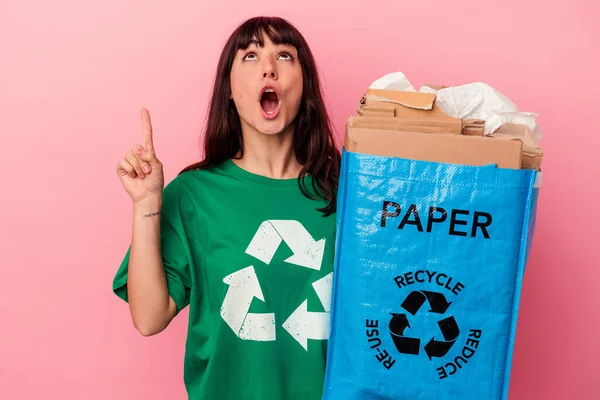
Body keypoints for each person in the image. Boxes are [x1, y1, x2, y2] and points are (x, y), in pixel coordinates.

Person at [112, 16, 341, 400]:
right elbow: (149, 318)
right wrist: (148, 202)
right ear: (230, 90)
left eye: (285, 55)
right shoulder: (194, 195)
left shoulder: (347, 194)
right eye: (249, 56)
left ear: (305, 86)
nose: (269, 66)